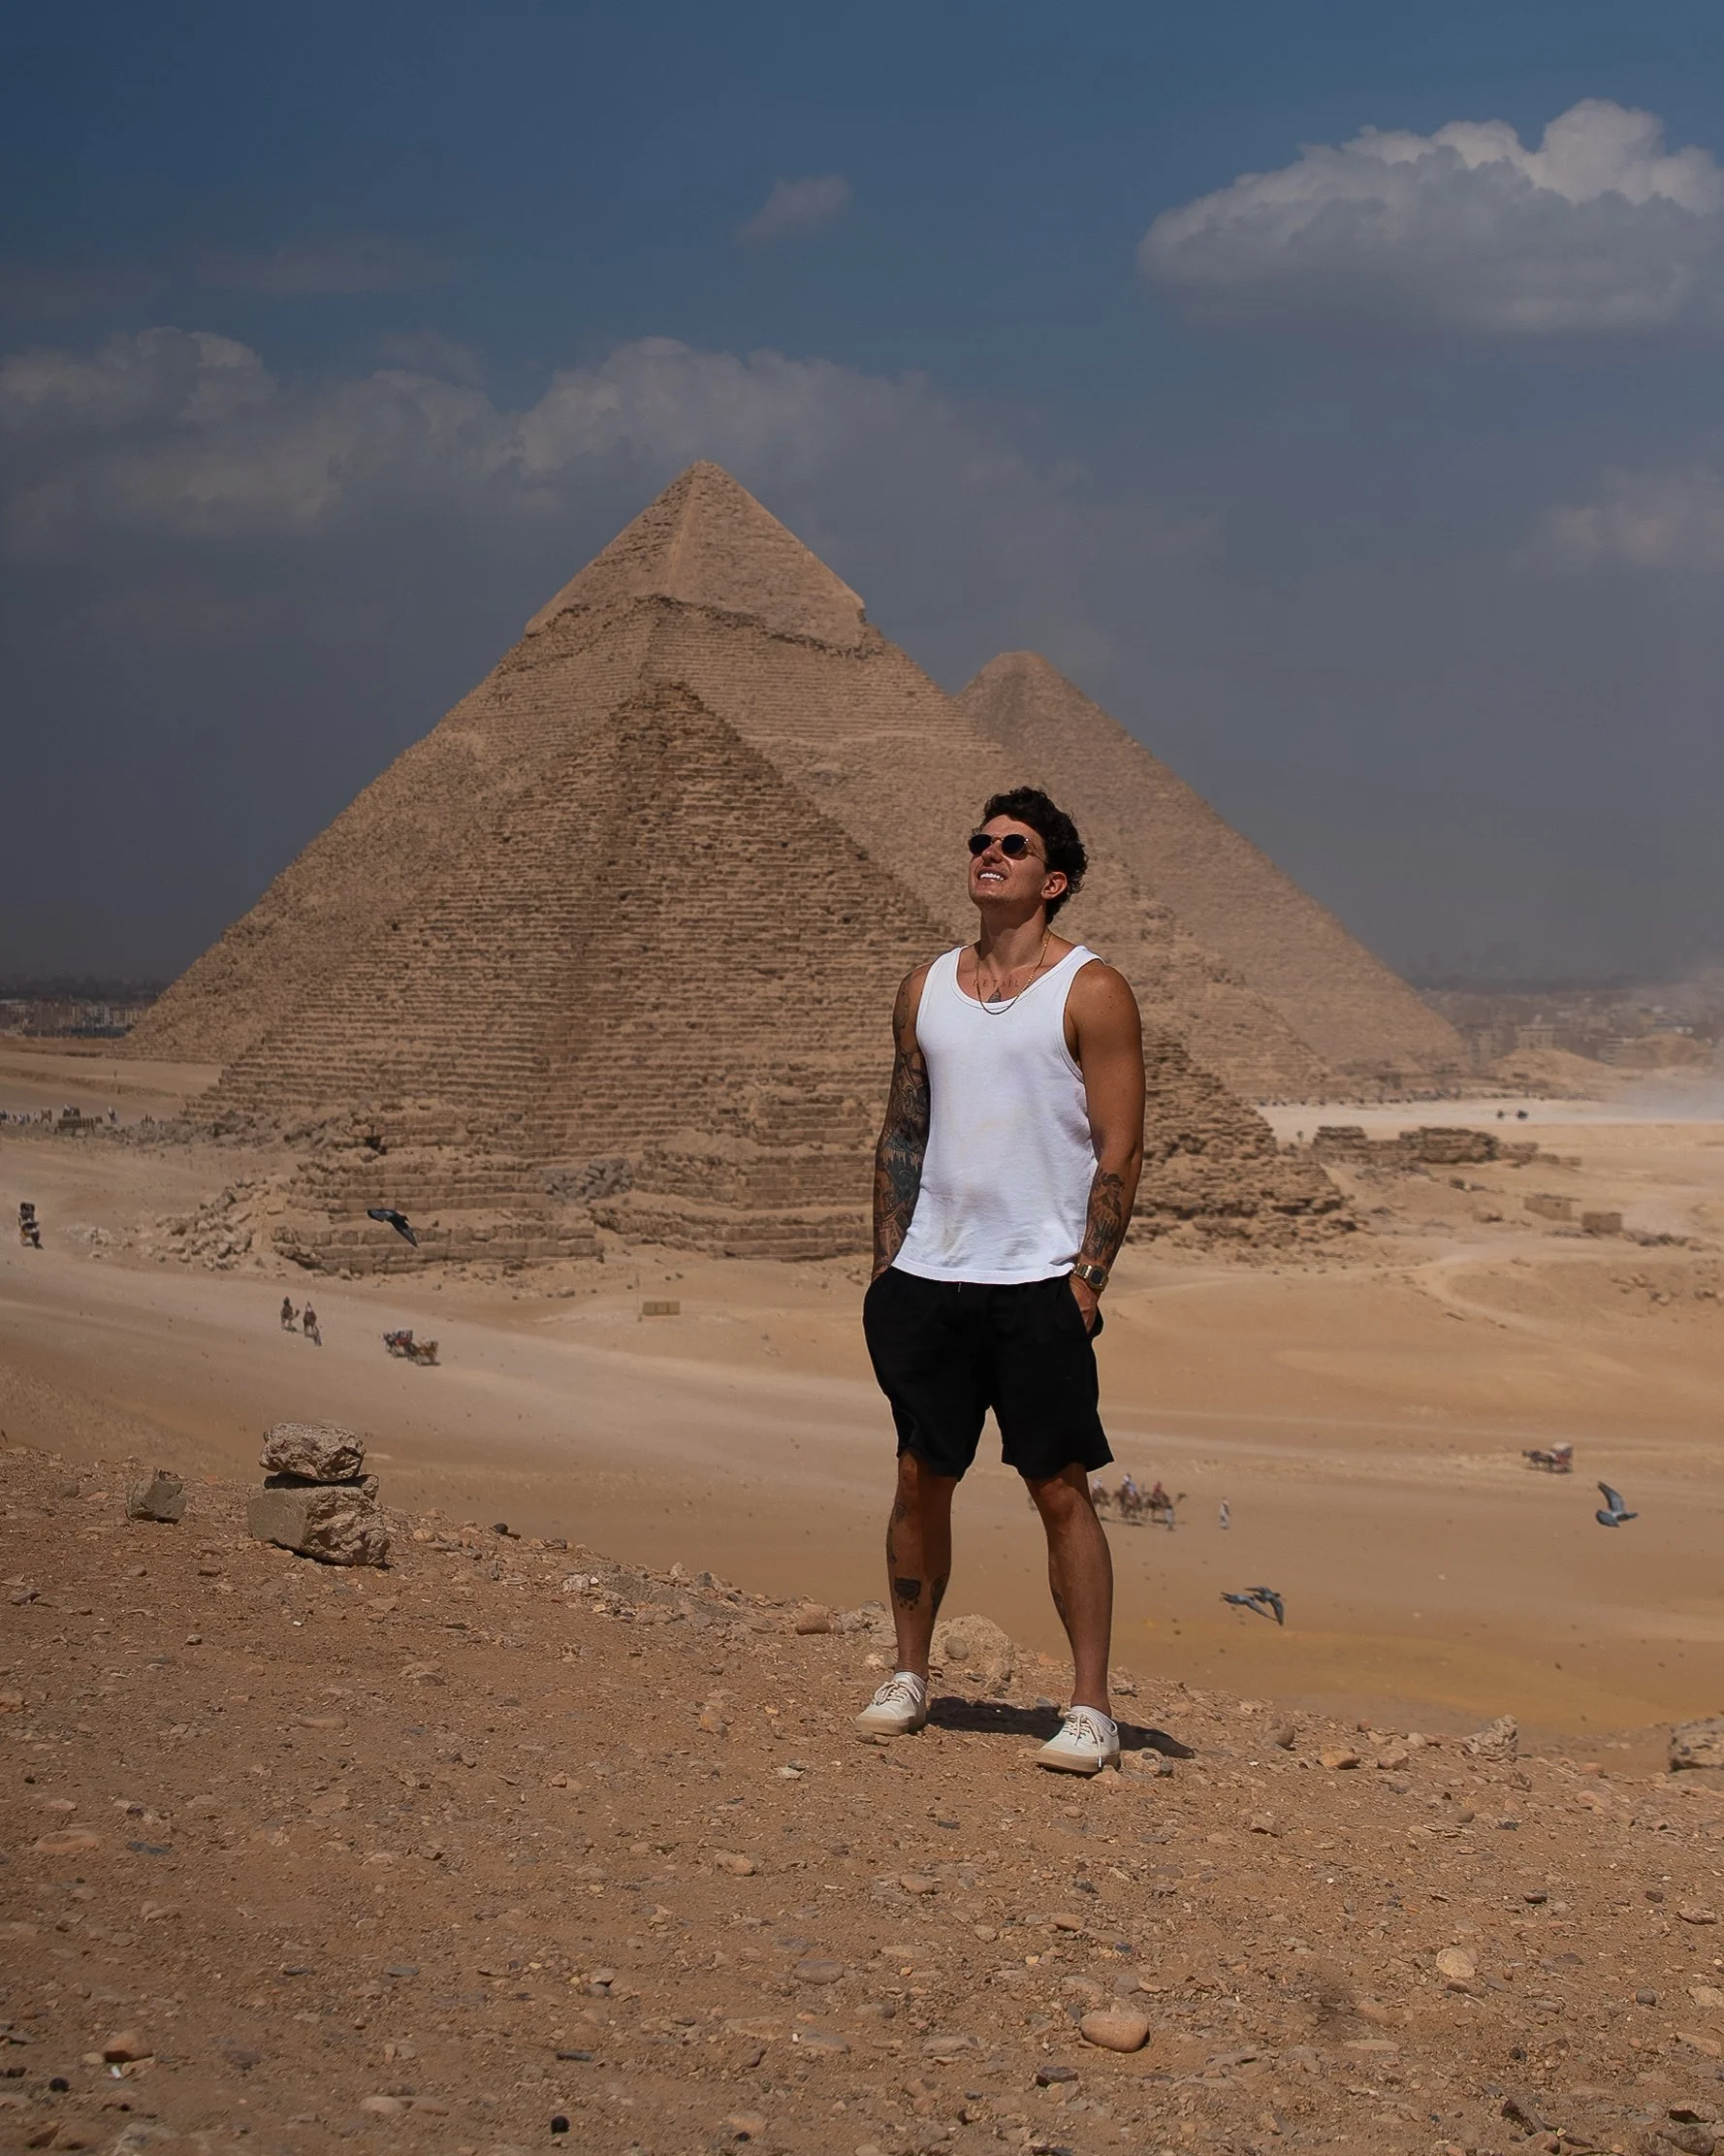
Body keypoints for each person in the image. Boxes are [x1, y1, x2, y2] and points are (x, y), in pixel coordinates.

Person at [856, 787, 1146, 1774]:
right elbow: (903, 1125)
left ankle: (1090, 1705)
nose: (987, 852)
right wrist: (889, 1257)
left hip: (1036, 1282)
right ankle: (906, 1674)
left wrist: (1087, 1277)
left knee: (1058, 1488)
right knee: (915, 1476)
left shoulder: (1092, 990)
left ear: (1049, 880)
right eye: (978, 840)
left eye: (1010, 846)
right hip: (929, 1275)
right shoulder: (924, 985)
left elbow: (1120, 1144)